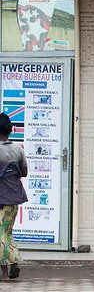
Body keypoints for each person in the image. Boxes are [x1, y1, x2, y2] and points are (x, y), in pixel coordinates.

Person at [0, 113, 28, 281]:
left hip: (0, 198)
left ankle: (5, 270)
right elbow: (24, 172)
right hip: (14, 198)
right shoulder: (18, 149)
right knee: (7, 233)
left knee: (1, 234)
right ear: (10, 130)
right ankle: (12, 263)